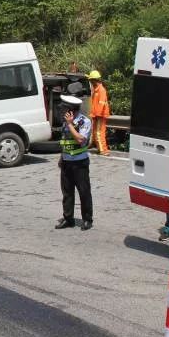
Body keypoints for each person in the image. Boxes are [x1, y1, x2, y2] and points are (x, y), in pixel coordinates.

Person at [55, 95, 93, 231]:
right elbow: (65, 141)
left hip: (79, 163)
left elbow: (80, 140)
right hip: (66, 162)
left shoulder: (84, 121)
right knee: (67, 192)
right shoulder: (66, 121)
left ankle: (87, 219)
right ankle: (68, 218)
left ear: (71, 110)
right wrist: (61, 158)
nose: (62, 110)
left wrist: (70, 124)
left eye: (65, 108)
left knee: (84, 192)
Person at [88, 70, 111, 155]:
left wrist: (97, 114)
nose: (90, 82)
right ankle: (100, 148)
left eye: (91, 80)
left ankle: (103, 150)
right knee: (96, 132)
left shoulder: (101, 90)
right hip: (96, 115)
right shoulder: (96, 90)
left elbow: (101, 104)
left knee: (99, 132)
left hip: (100, 115)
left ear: (95, 80)